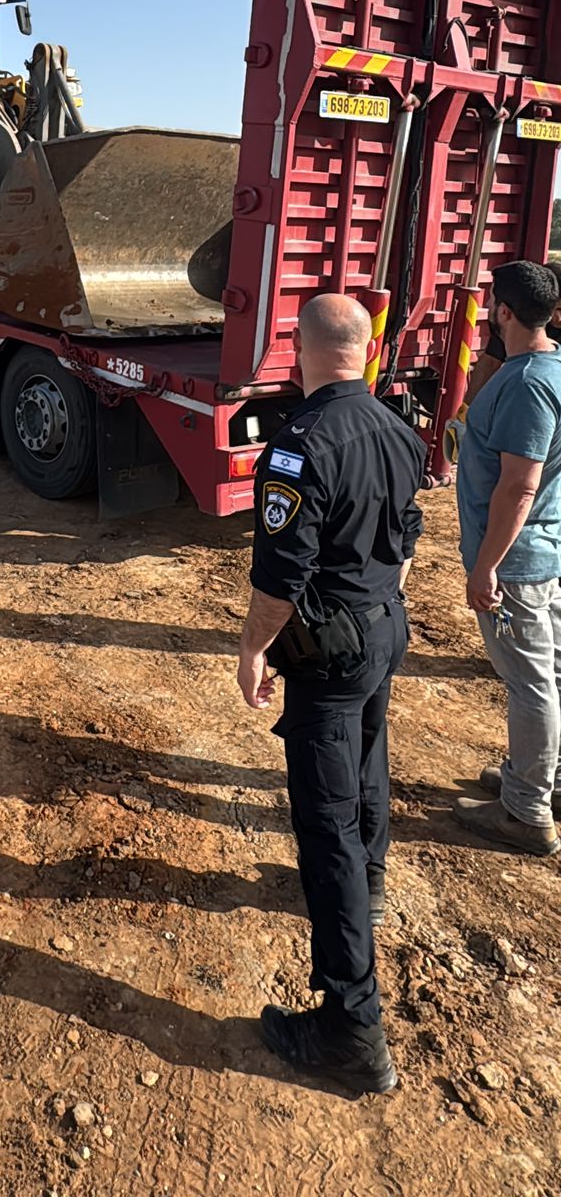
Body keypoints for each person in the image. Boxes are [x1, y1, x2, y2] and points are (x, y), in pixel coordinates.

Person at [237, 293, 424, 1095]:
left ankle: (351, 1024)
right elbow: (408, 541)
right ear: (367, 349)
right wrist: (380, 606)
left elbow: (281, 577)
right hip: (386, 626)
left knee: (325, 823)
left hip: (332, 649)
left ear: (300, 348)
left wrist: (252, 649)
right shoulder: (398, 428)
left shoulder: (298, 446)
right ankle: (372, 887)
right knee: (371, 765)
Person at [453, 258, 561, 856]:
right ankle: (538, 777)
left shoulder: (526, 386)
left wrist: (487, 564)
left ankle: (525, 812)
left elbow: (519, 484)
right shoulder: (551, 368)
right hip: (544, 549)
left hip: (517, 563)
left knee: (530, 685)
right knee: (550, 675)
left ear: (503, 313)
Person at [463, 259, 561, 411]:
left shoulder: (534, 383)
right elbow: (490, 362)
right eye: (557, 310)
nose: (559, 319)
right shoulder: (512, 319)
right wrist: (465, 411)